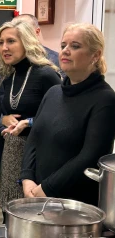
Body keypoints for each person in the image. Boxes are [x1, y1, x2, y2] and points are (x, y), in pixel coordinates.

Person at [20, 23, 115, 206]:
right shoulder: (54, 93)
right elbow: (34, 138)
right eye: (63, 45)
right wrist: (27, 178)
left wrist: (47, 187)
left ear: (95, 55)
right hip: (38, 195)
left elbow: (90, 156)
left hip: (75, 205)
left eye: (75, 46)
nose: (65, 51)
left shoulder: (105, 99)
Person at [0, 19, 61, 220]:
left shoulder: (47, 74)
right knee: (10, 216)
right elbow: (1, 112)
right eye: (1, 42)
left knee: (34, 218)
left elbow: (60, 117)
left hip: (38, 159)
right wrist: (3, 119)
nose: (4, 47)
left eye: (11, 41)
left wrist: (29, 122)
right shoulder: (8, 77)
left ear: (27, 42)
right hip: (11, 155)